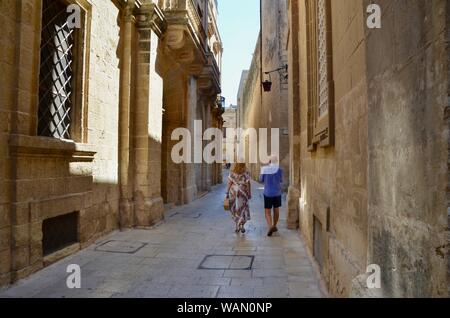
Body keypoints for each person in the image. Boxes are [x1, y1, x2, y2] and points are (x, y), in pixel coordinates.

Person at [259, 155, 283, 237]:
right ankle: (275, 225)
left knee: (267, 211)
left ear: (269, 161)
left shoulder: (264, 169)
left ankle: (270, 226)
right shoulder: (279, 170)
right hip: (277, 193)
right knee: (276, 210)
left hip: (268, 193)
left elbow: (261, 180)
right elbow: (280, 180)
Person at [225, 163, 252, 234]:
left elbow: (229, 183)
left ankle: (237, 226)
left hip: (233, 192)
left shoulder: (232, 173)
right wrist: (249, 193)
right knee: (242, 209)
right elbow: (248, 184)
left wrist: (227, 193)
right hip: (243, 192)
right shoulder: (246, 173)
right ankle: (242, 226)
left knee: (235, 209)